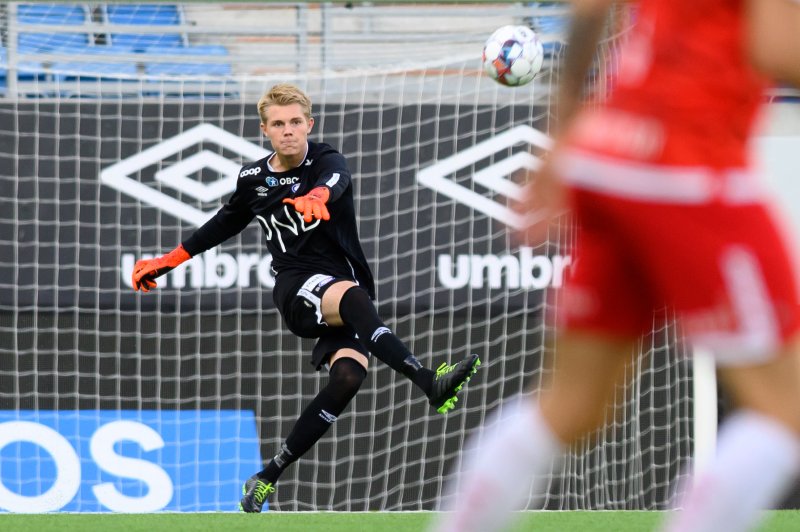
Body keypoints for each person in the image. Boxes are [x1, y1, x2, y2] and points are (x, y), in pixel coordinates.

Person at [435, 0, 800, 531]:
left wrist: (561, 141)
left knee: (570, 406)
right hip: (688, 163)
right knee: (785, 411)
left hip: (609, 154)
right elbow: (777, 47)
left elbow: (587, 10)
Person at [130, 83, 481, 513]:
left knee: (348, 378)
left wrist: (317, 196)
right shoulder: (253, 179)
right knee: (352, 296)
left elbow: (336, 181)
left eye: (296, 122)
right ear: (265, 131)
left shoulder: (326, 159)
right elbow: (224, 222)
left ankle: (266, 476)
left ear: (308, 124)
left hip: (344, 287)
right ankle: (427, 380)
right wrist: (171, 259)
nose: (289, 131)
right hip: (297, 288)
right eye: (278, 124)